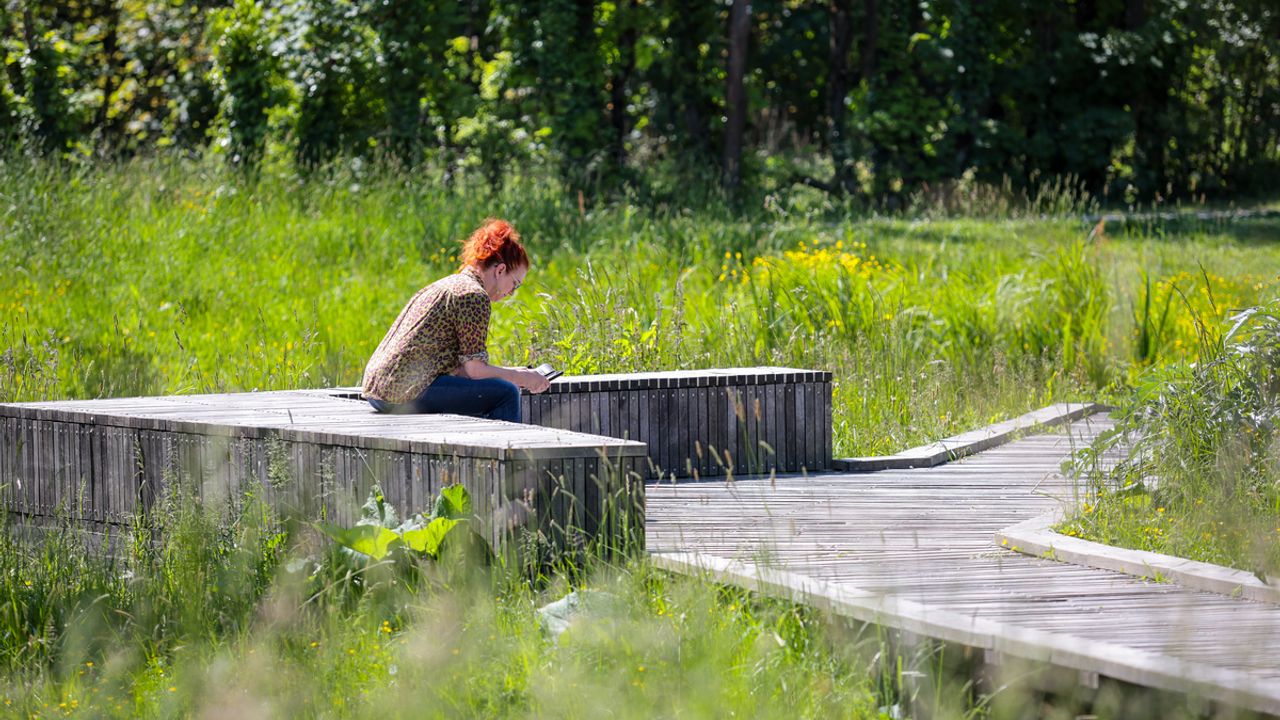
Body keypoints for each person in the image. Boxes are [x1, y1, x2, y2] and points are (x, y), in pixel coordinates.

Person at [360, 218, 550, 421]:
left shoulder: (447, 285)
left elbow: (463, 370)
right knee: (505, 393)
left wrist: (517, 372)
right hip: (402, 394)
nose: (512, 293)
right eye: (515, 283)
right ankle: (506, 452)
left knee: (495, 387)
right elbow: (475, 370)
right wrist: (522, 379)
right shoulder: (474, 296)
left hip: (379, 390)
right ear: (500, 270)